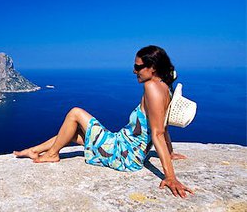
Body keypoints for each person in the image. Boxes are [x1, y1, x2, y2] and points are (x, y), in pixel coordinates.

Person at [13, 45, 194, 198]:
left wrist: (170, 176)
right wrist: (169, 153)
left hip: (124, 154)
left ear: (152, 67)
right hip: (126, 148)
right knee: (73, 133)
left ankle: (51, 155)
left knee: (75, 113)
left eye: (138, 67)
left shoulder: (151, 87)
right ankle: (34, 150)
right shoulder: (164, 87)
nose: (134, 71)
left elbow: (158, 132)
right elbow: (164, 125)